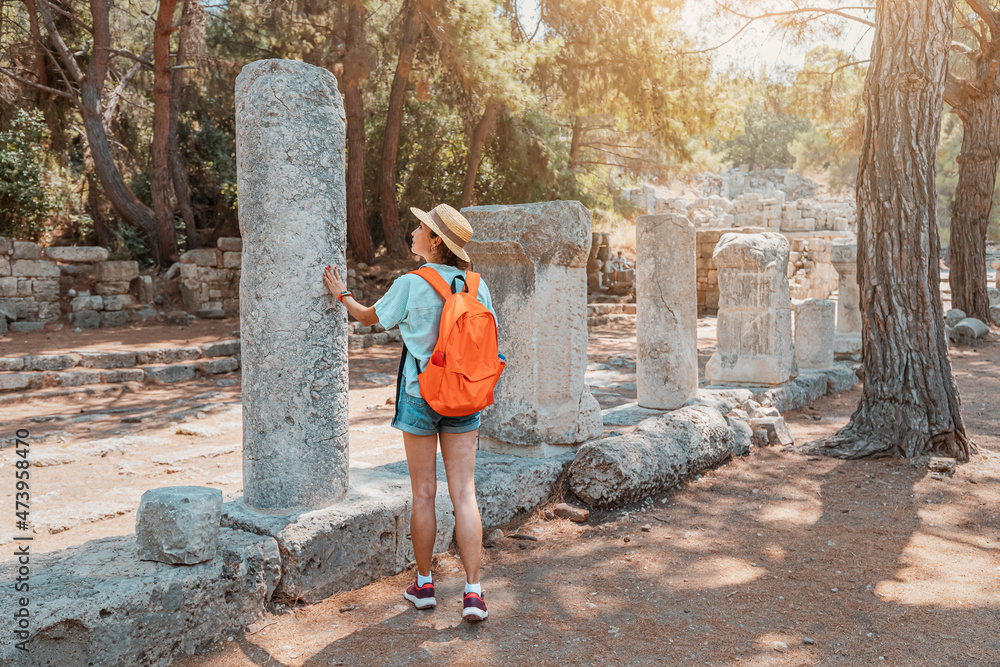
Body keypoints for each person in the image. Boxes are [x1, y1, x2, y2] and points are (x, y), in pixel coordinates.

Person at [322, 203, 494, 622]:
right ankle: (473, 593)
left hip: (421, 395)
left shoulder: (412, 283)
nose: (413, 232)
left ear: (436, 241)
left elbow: (367, 317)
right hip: (465, 396)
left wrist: (339, 292)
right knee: (464, 494)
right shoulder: (476, 285)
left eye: (421, 227)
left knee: (423, 493)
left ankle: (424, 585)